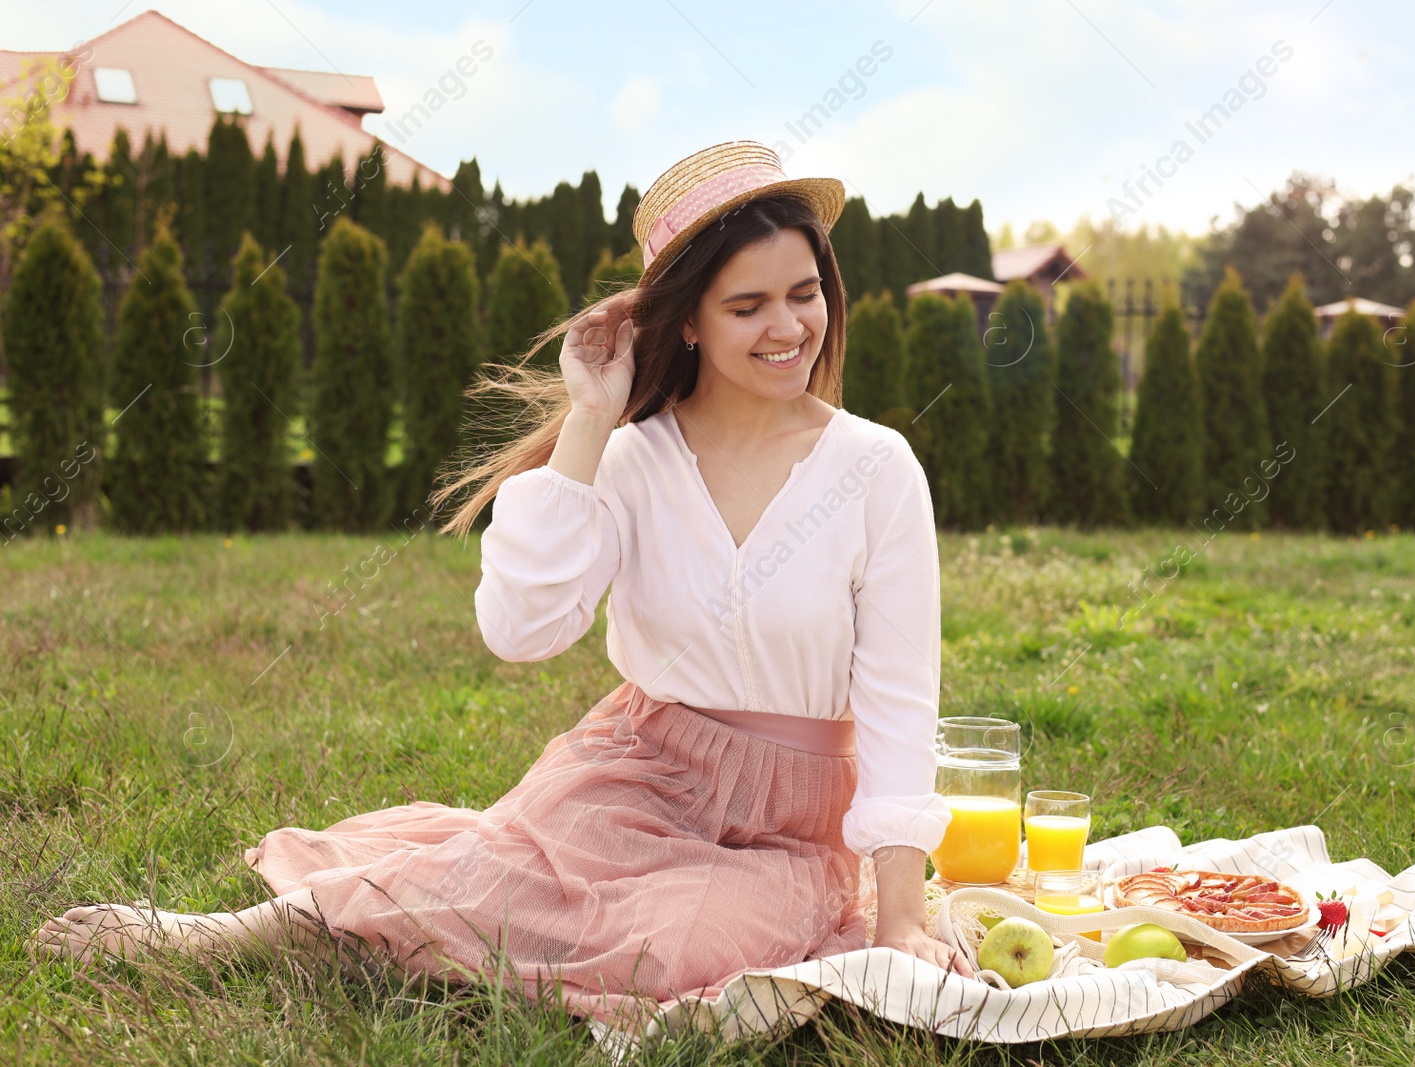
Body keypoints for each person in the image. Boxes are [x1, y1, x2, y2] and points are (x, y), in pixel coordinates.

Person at [34, 140, 974, 1032]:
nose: (788, 327)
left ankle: (415, 934)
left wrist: (897, 920)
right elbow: (522, 631)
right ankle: (262, 933)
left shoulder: (874, 468)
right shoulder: (632, 458)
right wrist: (589, 420)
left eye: (805, 293)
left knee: (684, 945)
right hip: (643, 774)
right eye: (748, 305)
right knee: (501, 878)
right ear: (686, 318)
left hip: (794, 823)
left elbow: (897, 700)